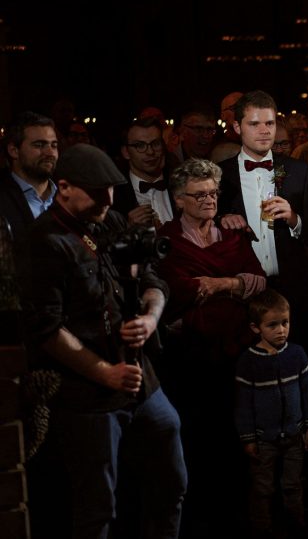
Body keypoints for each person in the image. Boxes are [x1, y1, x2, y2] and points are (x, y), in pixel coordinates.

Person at [22, 143, 186, 539]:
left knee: (172, 483)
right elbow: (46, 329)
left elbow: (153, 278)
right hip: (88, 395)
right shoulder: (43, 242)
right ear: (64, 187)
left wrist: (150, 318)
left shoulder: (109, 220)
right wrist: (105, 374)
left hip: (140, 380)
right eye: (97, 191)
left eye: (111, 189)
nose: (108, 199)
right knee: (97, 507)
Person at [156, 158, 267, 535]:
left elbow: (260, 281)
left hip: (238, 356)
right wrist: (239, 287)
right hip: (191, 360)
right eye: (199, 194)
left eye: (213, 193)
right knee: (199, 440)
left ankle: (242, 518)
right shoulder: (166, 241)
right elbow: (182, 290)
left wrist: (222, 285)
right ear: (179, 199)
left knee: (240, 441)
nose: (208, 200)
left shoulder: (232, 236)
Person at [218, 90, 308, 348]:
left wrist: (295, 219)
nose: (264, 131)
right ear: (237, 126)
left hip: (291, 289)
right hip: (242, 292)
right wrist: (222, 219)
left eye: (270, 123)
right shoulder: (220, 175)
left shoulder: (299, 171)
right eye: (254, 124)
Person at [235, 289, 308, 538]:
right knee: (262, 487)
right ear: (255, 327)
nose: (281, 330)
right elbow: (243, 404)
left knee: (293, 484)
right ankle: (262, 528)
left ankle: (297, 525)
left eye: (285, 323)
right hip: (264, 439)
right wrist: (248, 437)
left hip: (294, 434)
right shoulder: (248, 362)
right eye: (272, 325)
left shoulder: (296, 354)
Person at [0, 112, 58, 250]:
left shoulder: (68, 195)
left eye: (54, 145)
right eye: (39, 145)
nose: (50, 153)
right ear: (14, 150)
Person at [113, 115, 177, 228]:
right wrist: (129, 230)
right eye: (140, 146)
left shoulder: (180, 185)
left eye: (155, 144)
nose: (150, 152)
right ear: (126, 152)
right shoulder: (113, 195)